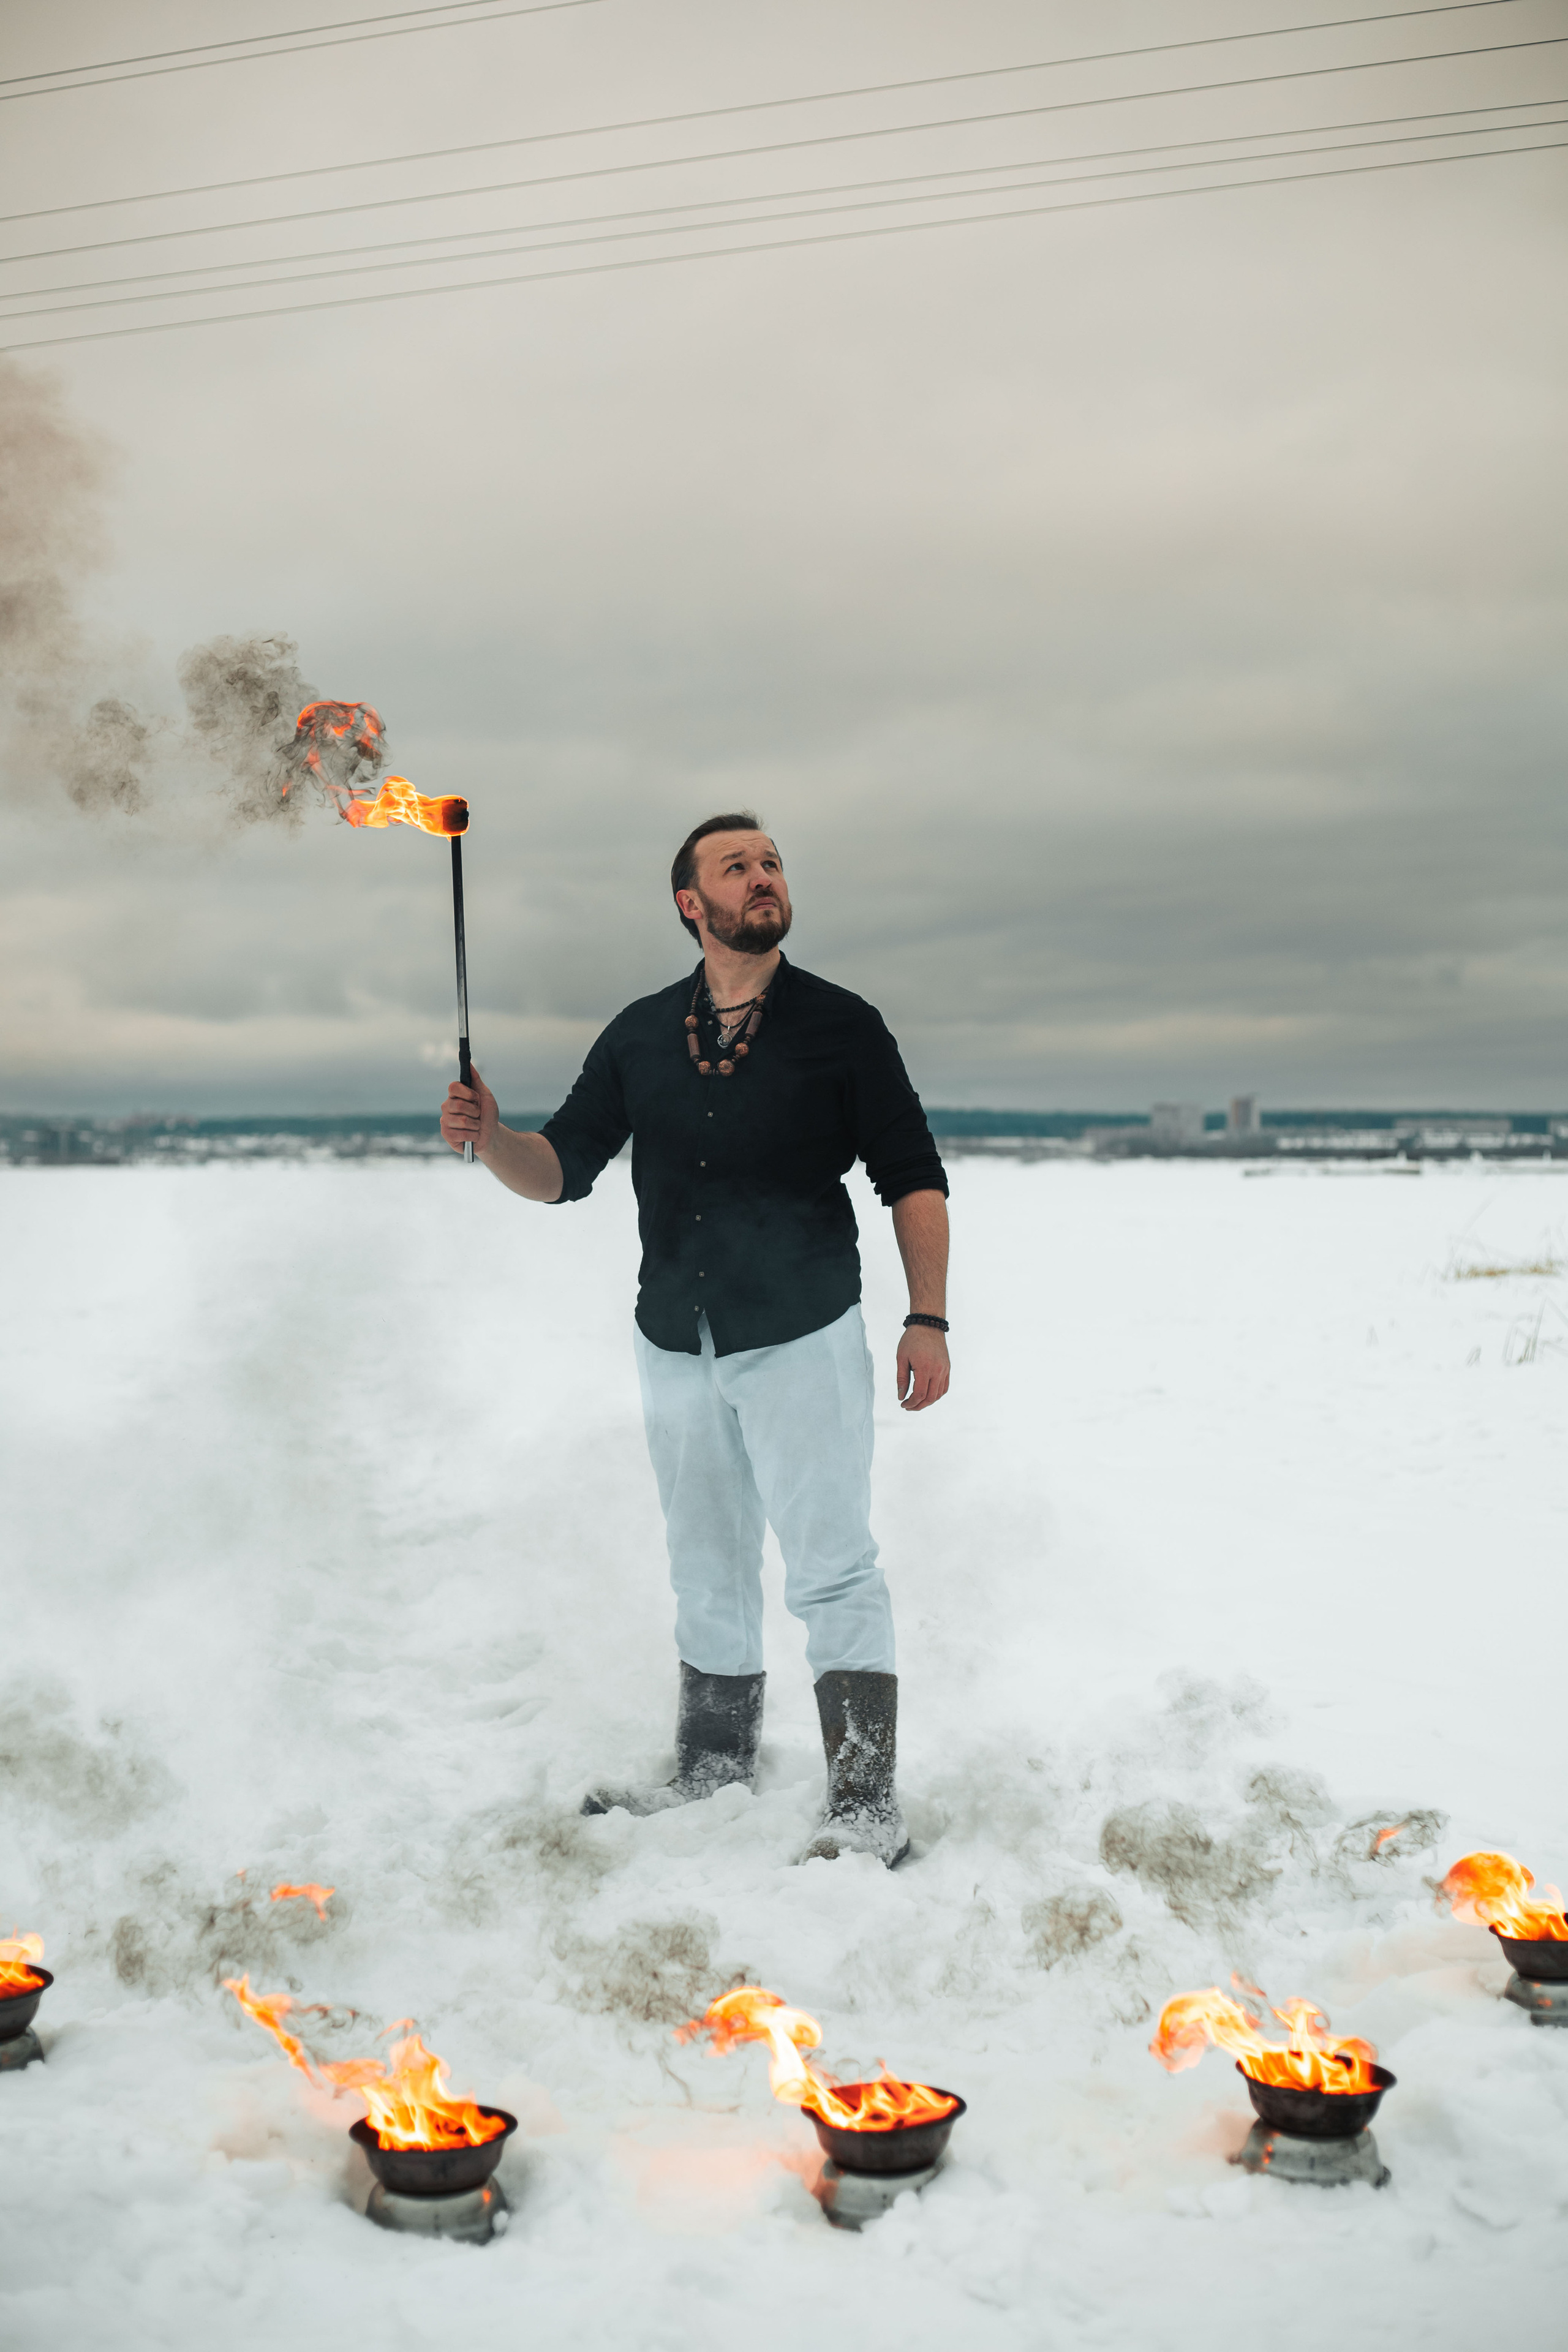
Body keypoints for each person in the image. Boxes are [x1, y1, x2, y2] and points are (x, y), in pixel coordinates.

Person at [439, 813, 949, 1866]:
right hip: (677, 1337)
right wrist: (493, 1136)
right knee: (704, 1562)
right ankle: (714, 1762)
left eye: (771, 864)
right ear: (690, 902)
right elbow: (560, 1170)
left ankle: (863, 1802)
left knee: (832, 1567)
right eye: (738, 867)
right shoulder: (639, 1034)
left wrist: (928, 1315)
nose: (763, 879)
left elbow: (913, 1178)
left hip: (802, 1332)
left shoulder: (842, 1026)